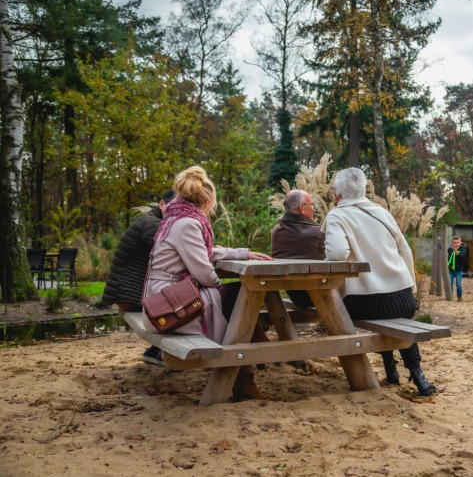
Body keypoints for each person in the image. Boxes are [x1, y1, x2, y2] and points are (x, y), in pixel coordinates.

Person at [143, 165, 274, 400]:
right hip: (169, 307)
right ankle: (249, 370)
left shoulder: (175, 219)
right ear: (206, 202)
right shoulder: (189, 224)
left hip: (163, 297)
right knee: (240, 295)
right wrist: (216, 282)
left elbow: (203, 253)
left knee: (237, 297)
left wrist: (243, 253)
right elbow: (205, 274)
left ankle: (255, 354)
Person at [324, 167, 437, 396]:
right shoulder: (381, 212)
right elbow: (404, 250)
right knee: (396, 317)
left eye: (333, 189)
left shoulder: (337, 215)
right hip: (402, 298)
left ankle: (392, 371)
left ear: (338, 193)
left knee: (375, 311)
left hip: (364, 303)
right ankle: (417, 376)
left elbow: (336, 255)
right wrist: (411, 290)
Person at [102, 189, 175, 366]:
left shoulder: (153, 221)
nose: (175, 212)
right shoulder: (153, 224)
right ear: (161, 204)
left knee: (178, 299)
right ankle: (161, 353)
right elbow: (173, 252)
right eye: (172, 207)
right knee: (182, 305)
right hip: (127, 296)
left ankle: (154, 351)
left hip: (128, 293)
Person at [270, 189, 325, 308]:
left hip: (294, 295)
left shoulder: (276, 232)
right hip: (318, 296)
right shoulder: (319, 233)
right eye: (311, 205)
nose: (313, 209)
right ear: (302, 208)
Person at [447, 236, 468, 301]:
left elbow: (462, 256)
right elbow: (448, 257)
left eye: (457, 243)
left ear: (460, 242)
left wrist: (456, 252)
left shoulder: (463, 249)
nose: (456, 244)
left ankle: (459, 296)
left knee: (458, 284)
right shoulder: (450, 249)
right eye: (455, 243)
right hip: (451, 269)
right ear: (452, 243)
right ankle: (450, 297)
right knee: (450, 283)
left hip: (458, 270)